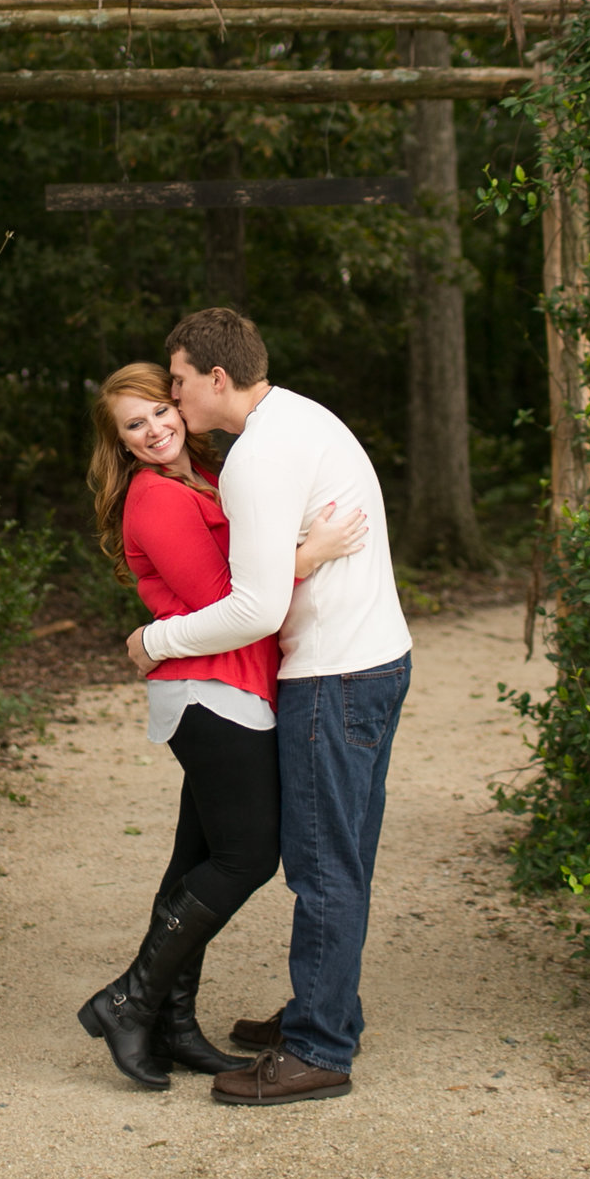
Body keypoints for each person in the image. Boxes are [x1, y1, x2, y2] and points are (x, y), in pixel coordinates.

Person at [126, 307, 412, 1106]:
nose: (173, 401)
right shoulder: (300, 417)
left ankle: (318, 1047)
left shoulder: (256, 456)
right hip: (373, 659)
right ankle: (323, 1012)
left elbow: (252, 607)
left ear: (216, 379)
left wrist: (155, 638)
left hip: (333, 674)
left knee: (323, 865)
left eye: (177, 383)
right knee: (339, 855)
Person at [76, 360, 369, 1089]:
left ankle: (171, 1023)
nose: (153, 429)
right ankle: (129, 999)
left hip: (232, 690)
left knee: (192, 860)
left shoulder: (201, 475)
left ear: (179, 402)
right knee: (247, 856)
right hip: (211, 695)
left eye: (157, 410)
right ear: (118, 443)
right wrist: (315, 553)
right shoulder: (157, 500)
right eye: (133, 425)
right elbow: (229, 599)